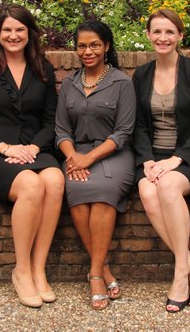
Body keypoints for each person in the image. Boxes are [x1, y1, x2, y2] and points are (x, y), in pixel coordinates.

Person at [0, 4, 65, 308]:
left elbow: (51, 121)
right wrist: (5, 147)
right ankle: (21, 271)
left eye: (20, 29)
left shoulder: (43, 69)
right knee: (32, 186)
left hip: (33, 148)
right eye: (7, 29)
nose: (13, 35)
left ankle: (38, 268)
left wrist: (33, 147)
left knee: (55, 180)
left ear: (29, 34)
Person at [133, 9, 190, 313]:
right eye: (157, 32)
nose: (163, 38)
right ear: (148, 35)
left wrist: (177, 159)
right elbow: (139, 126)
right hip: (154, 156)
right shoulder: (142, 75)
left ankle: (180, 273)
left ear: (180, 36)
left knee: (166, 187)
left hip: (189, 156)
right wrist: (147, 161)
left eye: (169, 32)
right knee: (147, 190)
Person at [55, 21, 136, 311]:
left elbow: (124, 132)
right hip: (77, 155)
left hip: (113, 154)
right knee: (75, 189)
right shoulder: (69, 84)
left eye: (94, 45)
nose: (87, 51)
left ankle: (94, 276)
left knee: (102, 190)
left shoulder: (121, 83)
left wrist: (88, 158)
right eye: (81, 45)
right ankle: (104, 270)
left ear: (106, 47)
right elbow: (62, 130)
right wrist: (72, 157)